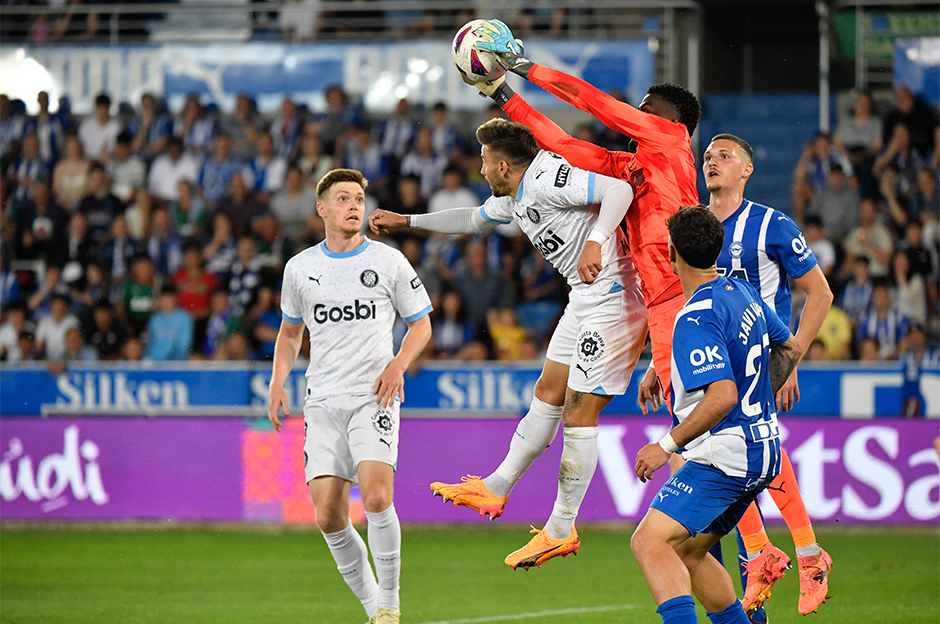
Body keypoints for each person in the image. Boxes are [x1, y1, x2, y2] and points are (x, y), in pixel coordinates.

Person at [370, 118, 647, 569]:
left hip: (615, 297)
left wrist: (596, 242)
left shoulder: (547, 177)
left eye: (483, 163)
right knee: (547, 392)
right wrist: (407, 220)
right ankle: (495, 487)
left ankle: (561, 528)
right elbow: (471, 219)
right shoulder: (516, 199)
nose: (479, 171)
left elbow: (619, 191)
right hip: (584, 297)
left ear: (503, 166)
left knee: (579, 411)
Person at [469, 20, 700, 415]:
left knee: (707, 419)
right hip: (658, 304)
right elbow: (562, 144)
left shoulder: (672, 140)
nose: (641, 109)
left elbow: (595, 102)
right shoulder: (627, 165)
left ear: (673, 118)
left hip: (688, 295)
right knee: (687, 421)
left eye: (649, 105)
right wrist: (503, 94)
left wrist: (523, 66)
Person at [268, 168, 432, 624]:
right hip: (321, 400)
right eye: (343, 199)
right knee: (327, 515)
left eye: (358, 198)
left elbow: (421, 324)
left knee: (378, 497)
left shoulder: (388, 261)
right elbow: (288, 334)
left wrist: (398, 365)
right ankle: (371, 608)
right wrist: (278, 380)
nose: (354, 206)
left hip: (372, 396)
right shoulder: (300, 268)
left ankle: (390, 604)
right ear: (322, 209)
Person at [632, 205, 802, 624]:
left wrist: (665, 445)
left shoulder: (694, 316)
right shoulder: (741, 291)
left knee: (649, 543)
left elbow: (723, 394)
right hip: (765, 448)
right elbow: (790, 347)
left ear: (671, 252)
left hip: (728, 455)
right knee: (689, 551)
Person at [700, 134, 834, 617]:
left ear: (747, 170)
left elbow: (819, 294)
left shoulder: (771, 224)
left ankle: (782, 554)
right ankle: (778, 554)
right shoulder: (694, 225)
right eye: (708, 156)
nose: (712, 162)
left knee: (741, 453)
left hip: (757, 359)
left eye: (725, 156)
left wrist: (791, 356)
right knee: (732, 460)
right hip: (709, 361)